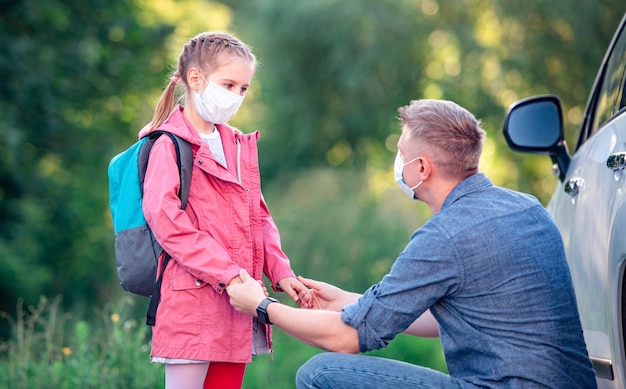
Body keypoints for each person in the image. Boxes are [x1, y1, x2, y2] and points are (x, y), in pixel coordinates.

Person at [226, 99, 597, 388]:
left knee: (320, 373)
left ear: (422, 169)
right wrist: (346, 299)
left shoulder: (445, 236)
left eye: (401, 154)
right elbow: (456, 317)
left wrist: (262, 306)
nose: (398, 162)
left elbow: (348, 338)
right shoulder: (527, 209)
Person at [140, 31, 311, 389]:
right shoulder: (167, 143)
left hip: (239, 303)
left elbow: (258, 216)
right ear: (195, 79)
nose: (235, 96)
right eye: (228, 84)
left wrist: (281, 272)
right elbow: (166, 221)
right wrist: (229, 273)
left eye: (243, 88)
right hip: (193, 304)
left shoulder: (237, 144)